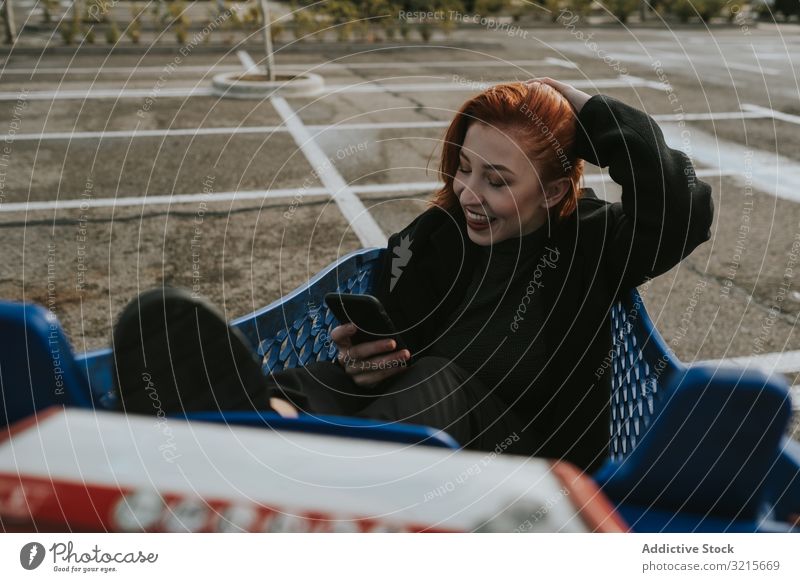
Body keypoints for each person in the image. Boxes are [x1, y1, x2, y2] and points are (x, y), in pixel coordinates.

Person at [112, 78, 714, 474]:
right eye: (464, 168)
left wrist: (590, 110)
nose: (468, 193)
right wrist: (364, 355)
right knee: (315, 379)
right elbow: (396, 338)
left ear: (553, 189)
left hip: (532, 458)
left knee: (433, 382)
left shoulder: (595, 241)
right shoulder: (436, 237)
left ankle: (299, 469)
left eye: (498, 181)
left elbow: (682, 205)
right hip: (412, 429)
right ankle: (262, 421)